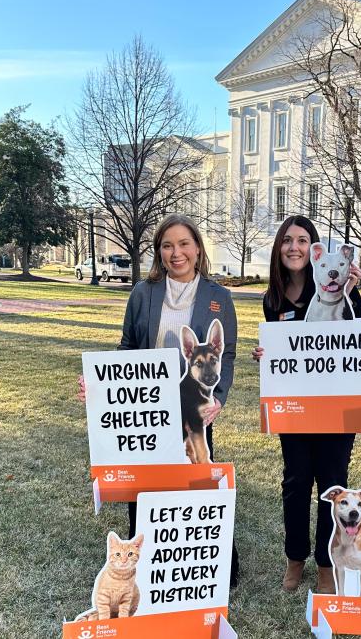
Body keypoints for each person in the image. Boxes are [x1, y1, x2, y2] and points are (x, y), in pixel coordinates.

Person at [79, 213, 239, 585]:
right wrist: (101, 388)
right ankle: (144, 565)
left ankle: (216, 566)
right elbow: (128, 347)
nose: (176, 253)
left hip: (195, 410)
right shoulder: (143, 292)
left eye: (184, 244)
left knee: (199, 486)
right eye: (167, 245)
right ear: (159, 252)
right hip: (146, 408)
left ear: (198, 249)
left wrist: (220, 399)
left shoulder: (218, 297)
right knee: (144, 488)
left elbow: (226, 354)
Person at [252, 215, 361, 595]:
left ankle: (325, 563)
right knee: (296, 483)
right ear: (279, 249)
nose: (294, 247)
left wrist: (352, 290)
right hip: (296, 407)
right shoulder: (274, 299)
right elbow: (282, 352)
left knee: (332, 485)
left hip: (339, 406)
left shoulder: (345, 287)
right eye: (288, 240)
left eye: (303, 240)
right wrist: (265, 355)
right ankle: (295, 558)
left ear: (316, 251)